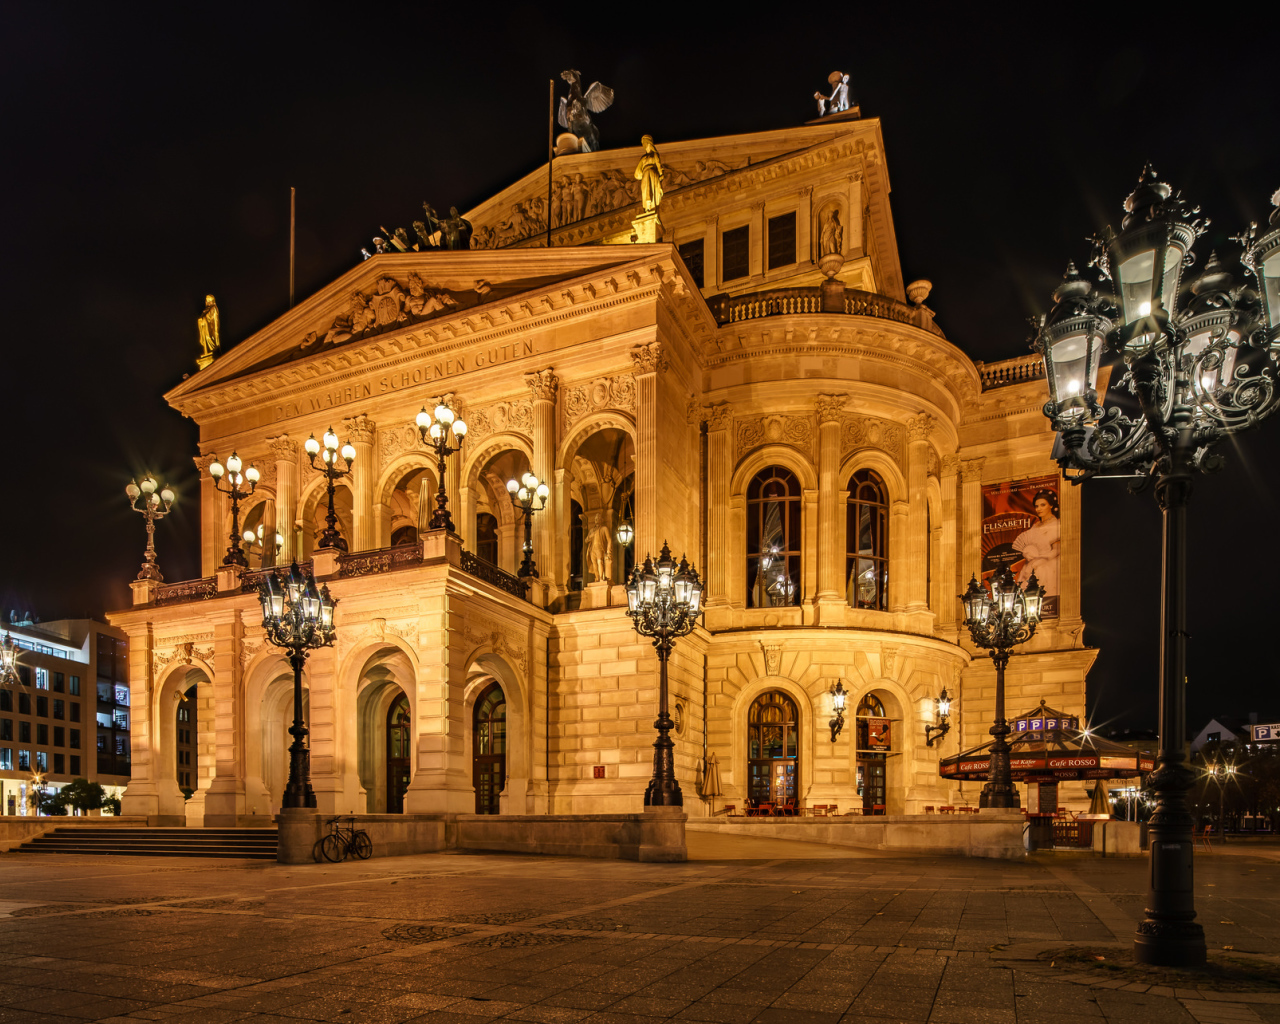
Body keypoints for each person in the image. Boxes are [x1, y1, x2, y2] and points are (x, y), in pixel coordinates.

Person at [1014, 489, 1060, 610]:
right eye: (1036, 506)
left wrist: (1041, 559)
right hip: (1030, 563)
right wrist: (1027, 553)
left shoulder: (1056, 524)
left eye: (1043, 505)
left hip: (1047, 564)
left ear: (1051, 505)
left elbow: (1057, 549)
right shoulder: (1036, 526)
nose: (1039, 509)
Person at [634, 135, 664, 213]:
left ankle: (650, 207)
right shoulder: (643, 157)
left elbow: (658, 165)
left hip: (652, 174)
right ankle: (647, 207)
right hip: (645, 175)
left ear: (648, 143)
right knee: (645, 190)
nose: (643, 145)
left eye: (644, 142)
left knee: (651, 192)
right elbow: (637, 173)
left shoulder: (654, 155)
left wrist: (661, 174)